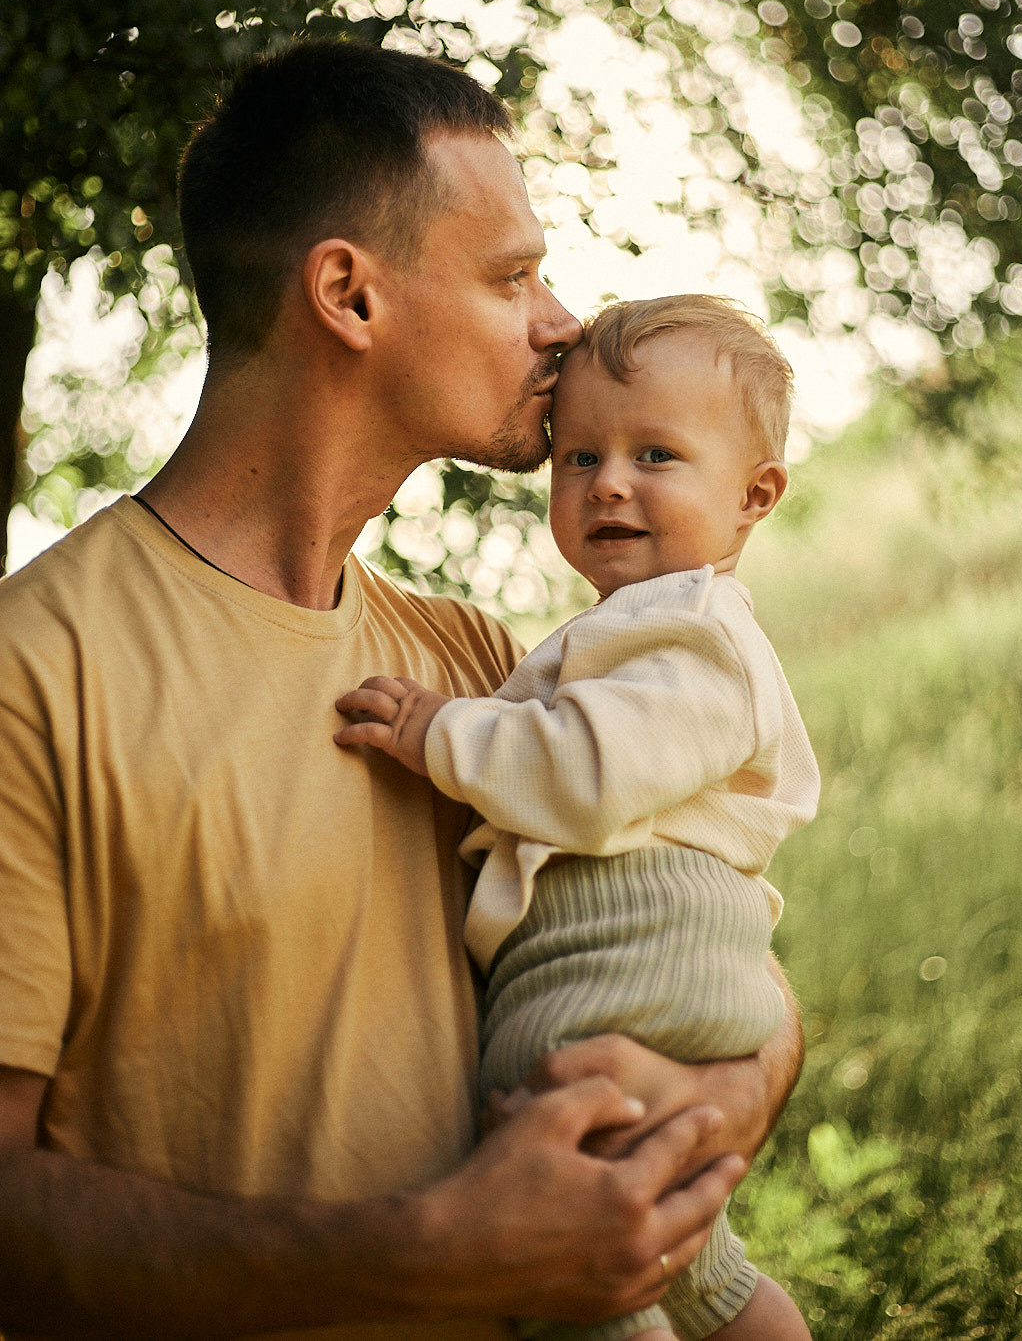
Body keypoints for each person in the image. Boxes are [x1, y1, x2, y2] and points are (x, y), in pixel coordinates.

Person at [0, 40, 805, 1340]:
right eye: (512, 276)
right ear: (348, 295)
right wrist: (420, 1260)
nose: (560, 323)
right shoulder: (35, 674)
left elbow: (709, 956)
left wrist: (720, 1095)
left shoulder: (487, 667)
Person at [336, 296, 818, 1341]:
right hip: (626, 970)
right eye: (578, 457)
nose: (607, 481)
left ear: (755, 496)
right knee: (692, 1268)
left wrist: (437, 732)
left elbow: (586, 777)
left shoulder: (692, 632)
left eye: (656, 454)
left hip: (619, 975)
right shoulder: (633, 627)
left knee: (575, 1280)